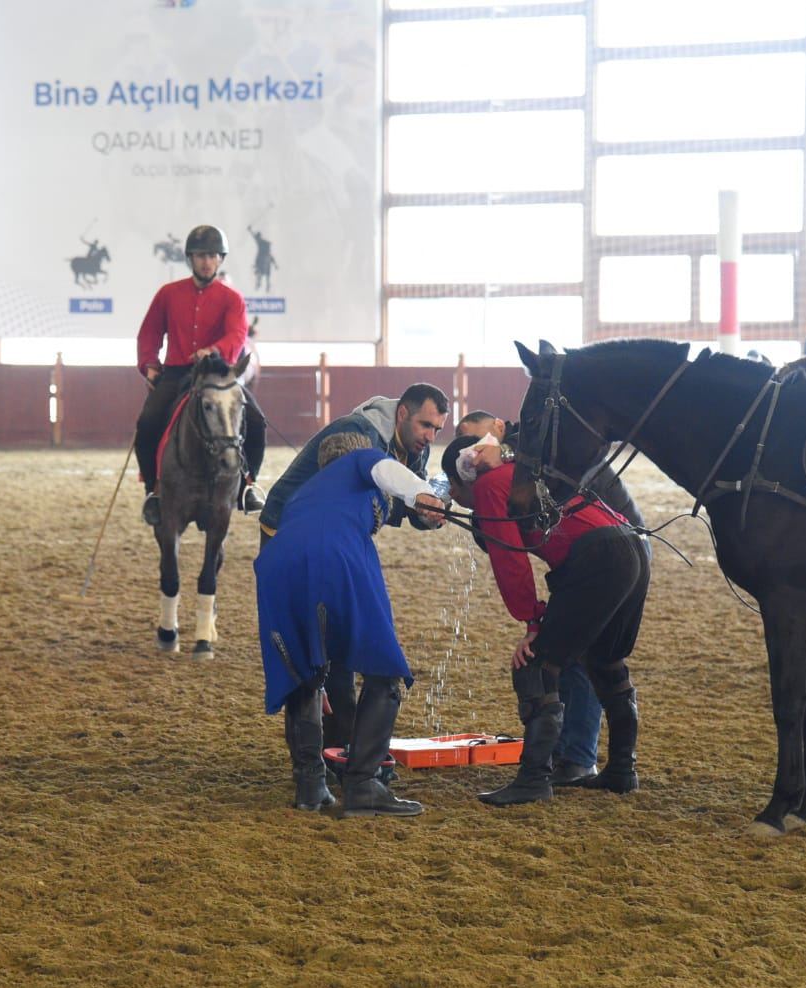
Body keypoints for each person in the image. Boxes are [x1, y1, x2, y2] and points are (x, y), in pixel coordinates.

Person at [444, 411, 648, 788]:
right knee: (604, 661)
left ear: (464, 476)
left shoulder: (490, 486)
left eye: (454, 488)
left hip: (596, 558)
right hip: (631, 548)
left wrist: (533, 621)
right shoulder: (520, 469)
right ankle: (621, 771)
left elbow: (512, 564)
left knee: (535, 666)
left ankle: (535, 779)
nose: (454, 498)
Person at [255, 431, 445, 816]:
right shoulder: (361, 463)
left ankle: (310, 786)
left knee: (305, 674)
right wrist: (422, 493)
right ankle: (363, 785)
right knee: (384, 670)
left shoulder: (306, 492)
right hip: (334, 554)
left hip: (275, 565)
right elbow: (383, 467)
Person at [135, 223, 268, 524]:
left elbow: (237, 334)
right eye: (199, 255)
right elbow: (149, 335)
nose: (206, 261)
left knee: (257, 421)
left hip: (219, 375)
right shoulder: (167, 294)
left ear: (220, 259)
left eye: (211, 255)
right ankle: (153, 491)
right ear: (190, 259)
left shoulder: (232, 298)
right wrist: (150, 365)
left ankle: (247, 485)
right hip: (178, 373)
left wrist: (214, 351)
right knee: (147, 423)